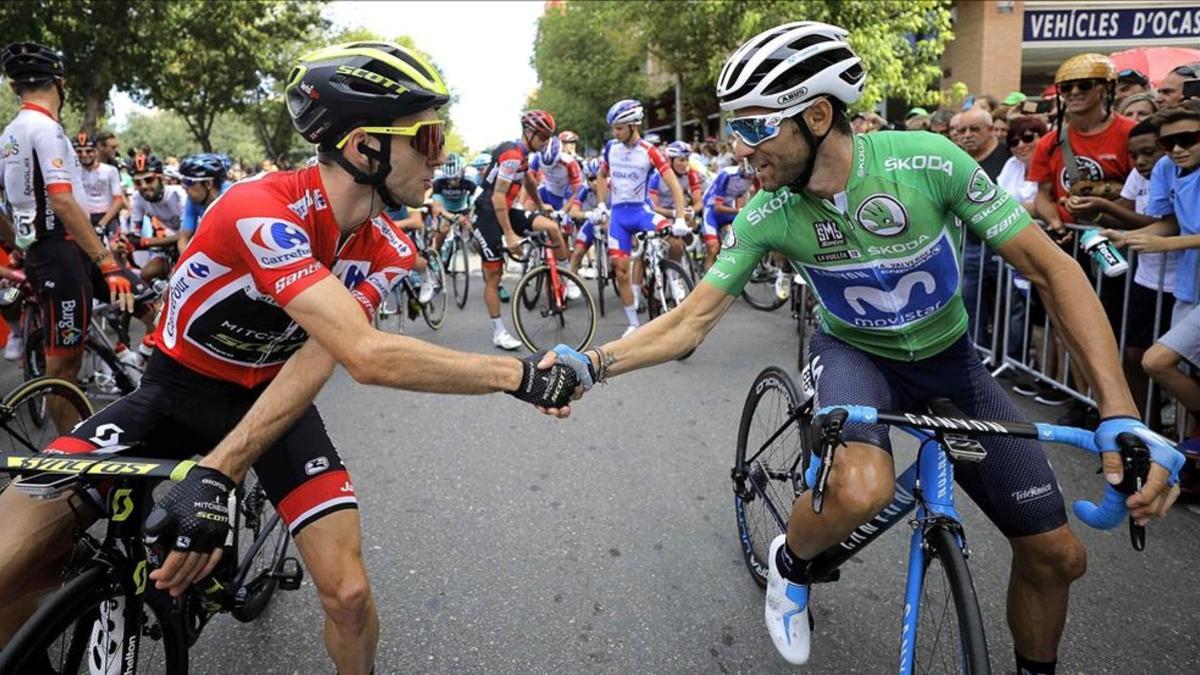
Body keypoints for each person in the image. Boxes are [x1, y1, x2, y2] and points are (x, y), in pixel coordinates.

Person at [545, 21, 1183, 673]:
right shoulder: (768, 214)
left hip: (952, 363)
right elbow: (689, 322)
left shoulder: (929, 163)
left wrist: (1117, 406)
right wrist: (592, 363)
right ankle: (790, 563)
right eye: (737, 126)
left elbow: (1052, 269)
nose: (740, 145)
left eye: (758, 125)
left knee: (1058, 556)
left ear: (818, 115)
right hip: (857, 358)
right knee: (861, 488)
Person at [0, 40, 578, 675]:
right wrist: (519, 374)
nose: (439, 159)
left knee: (350, 595)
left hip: (278, 400)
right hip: (174, 391)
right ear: (366, 147)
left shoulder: (390, 250)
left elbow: (330, 355)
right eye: (430, 139)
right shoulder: (260, 209)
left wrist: (218, 470)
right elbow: (369, 354)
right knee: (9, 561)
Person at [0, 42, 136, 434]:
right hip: (63, 251)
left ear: (14, 87)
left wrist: (17, 244)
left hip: (47, 252)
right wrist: (106, 263)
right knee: (63, 367)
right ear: (60, 83)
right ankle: (72, 461)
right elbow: (62, 201)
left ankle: (132, 367)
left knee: (138, 295)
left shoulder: (11, 132)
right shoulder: (46, 129)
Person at [1120, 103, 1200, 414]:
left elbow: (1173, 235)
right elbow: (1170, 222)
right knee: (1187, 371)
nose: (1177, 149)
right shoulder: (1166, 167)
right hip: (1187, 286)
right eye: (1168, 143)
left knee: (1156, 361)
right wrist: (1124, 236)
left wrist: (1167, 245)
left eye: (1188, 139)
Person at [593, 99, 691, 337]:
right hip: (618, 216)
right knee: (620, 270)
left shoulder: (649, 151)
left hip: (641, 211)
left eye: (618, 128)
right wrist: (602, 204)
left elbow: (674, 186)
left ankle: (671, 274)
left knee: (675, 239)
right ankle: (633, 323)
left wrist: (679, 219)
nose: (614, 133)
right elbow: (601, 175)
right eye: (613, 128)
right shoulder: (610, 148)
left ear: (633, 125)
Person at [474, 109, 570, 349]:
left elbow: (528, 181)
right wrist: (509, 234)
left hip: (506, 208)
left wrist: (540, 206)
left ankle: (564, 278)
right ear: (529, 132)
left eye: (549, 137)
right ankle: (498, 332)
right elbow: (497, 197)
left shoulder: (524, 155)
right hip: (487, 212)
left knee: (549, 226)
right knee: (494, 275)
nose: (546, 142)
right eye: (543, 136)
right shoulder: (511, 155)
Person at [73, 131, 125, 240]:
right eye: (79, 151)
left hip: (108, 217)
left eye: (88, 151)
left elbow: (119, 201)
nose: (84, 155)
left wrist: (102, 224)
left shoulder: (110, 170)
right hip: (85, 218)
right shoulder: (72, 172)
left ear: (95, 151)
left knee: (116, 247)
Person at [176, 153, 230, 250]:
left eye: (189, 182)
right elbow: (184, 238)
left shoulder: (230, 198)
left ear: (208, 183)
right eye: (183, 181)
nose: (183, 187)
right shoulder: (192, 200)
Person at [997, 115, 1048, 213]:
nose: (1020, 145)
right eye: (1014, 142)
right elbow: (999, 199)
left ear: (1043, 138)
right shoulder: (1012, 163)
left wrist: (1008, 209)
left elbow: (1046, 207)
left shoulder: (1053, 164)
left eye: (1028, 138)